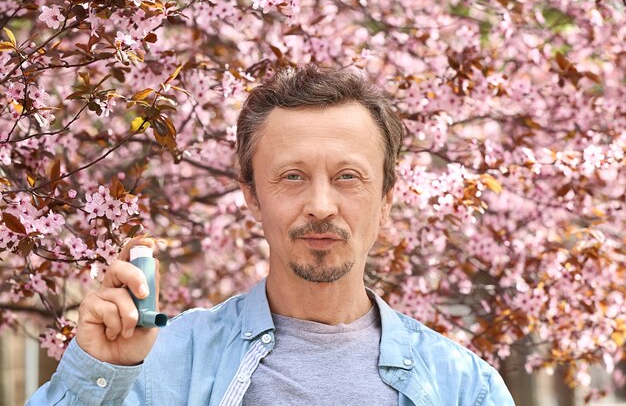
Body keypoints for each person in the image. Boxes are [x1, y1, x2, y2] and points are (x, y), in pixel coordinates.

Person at [27, 65, 515, 406]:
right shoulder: (157, 361)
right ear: (252, 195)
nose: (321, 206)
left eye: (348, 176)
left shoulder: (464, 387)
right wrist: (99, 377)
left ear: (386, 197)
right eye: (292, 176)